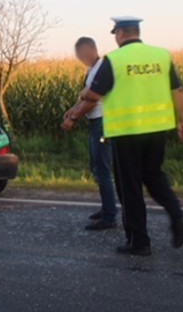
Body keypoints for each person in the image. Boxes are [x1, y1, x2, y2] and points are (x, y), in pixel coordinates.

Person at [63, 16, 183, 256]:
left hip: (126, 132)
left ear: (120, 33)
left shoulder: (115, 59)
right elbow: (179, 90)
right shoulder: (161, 56)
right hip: (157, 130)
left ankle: (139, 241)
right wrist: (182, 120)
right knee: (155, 177)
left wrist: (82, 94)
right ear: (137, 32)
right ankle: (177, 216)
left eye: (115, 34)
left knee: (129, 187)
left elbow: (94, 95)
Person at [62, 37, 118, 231]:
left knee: (102, 169)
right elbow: (85, 97)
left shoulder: (102, 68)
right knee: (96, 167)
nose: (81, 58)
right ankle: (106, 209)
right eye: (79, 55)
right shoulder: (92, 69)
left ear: (93, 49)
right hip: (95, 122)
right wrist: (73, 108)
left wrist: (74, 118)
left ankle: (109, 216)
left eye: (83, 53)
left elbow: (94, 99)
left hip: (102, 122)